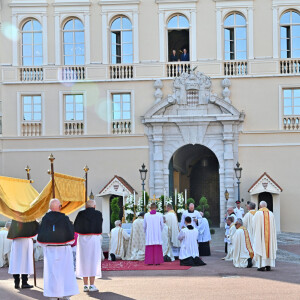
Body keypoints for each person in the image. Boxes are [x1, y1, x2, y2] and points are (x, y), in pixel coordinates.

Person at [37, 198, 79, 300]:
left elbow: (40, 237)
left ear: (50, 208)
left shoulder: (45, 219)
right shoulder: (65, 218)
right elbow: (71, 236)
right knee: (65, 272)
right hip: (64, 250)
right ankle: (66, 294)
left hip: (50, 250)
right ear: (59, 207)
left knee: (52, 273)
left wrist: (48, 244)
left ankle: (53, 295)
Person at [74, 199, 103, 292]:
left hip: (82, 239)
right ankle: (92, 285)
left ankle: (85, 285)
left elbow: (75, 226)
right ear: (94, 206)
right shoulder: (98, 214)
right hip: (94, 239)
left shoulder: (80, 214)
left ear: (86, 206)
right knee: (93, 260)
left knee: (84, 261)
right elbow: (100, 225)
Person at [7, 219, 39, 289]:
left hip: (17, 241)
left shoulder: (15, 216)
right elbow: (36, 226)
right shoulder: (29, 215)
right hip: (26, 241)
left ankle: (16, 282)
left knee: (16, 261)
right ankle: (24, 282)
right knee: (25, 261)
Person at [252, 201, 277, 271]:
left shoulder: (257, 214)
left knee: (261, 247)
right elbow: (274, 227)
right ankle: (268, 265)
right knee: (269, 248)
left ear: (260, 206)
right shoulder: (271, 214)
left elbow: (253, 224)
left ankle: (262, 266)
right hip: (269, 237)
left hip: (261, 236)